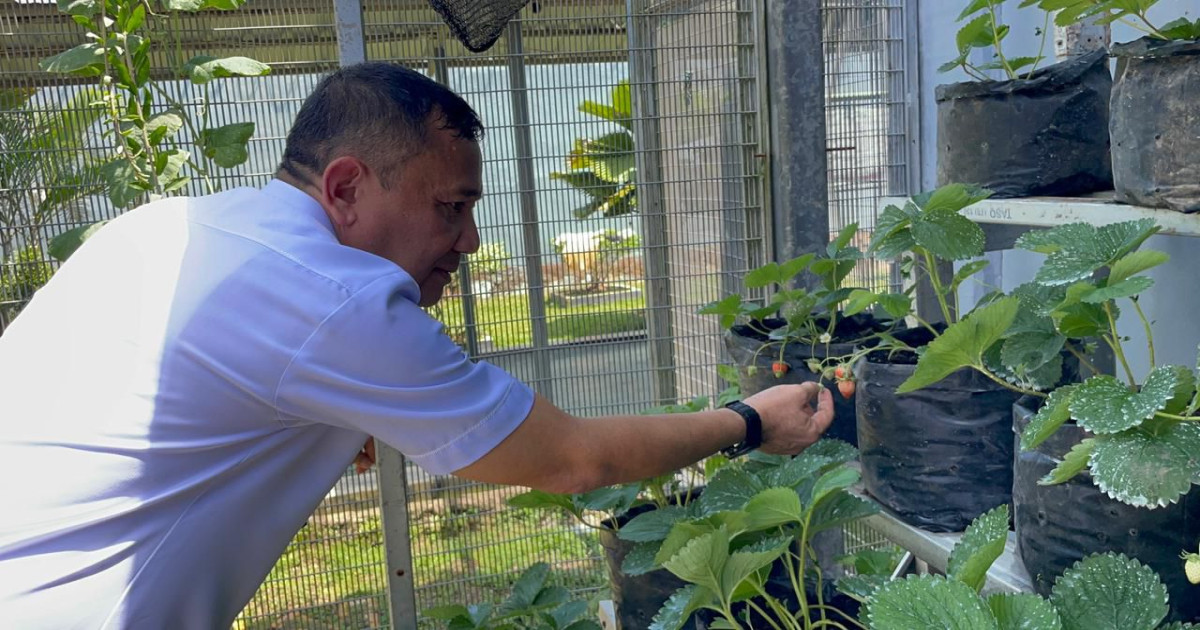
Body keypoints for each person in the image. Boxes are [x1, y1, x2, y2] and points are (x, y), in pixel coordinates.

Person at [0, 62, 833, 628]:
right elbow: (574, 462)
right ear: (346, 187)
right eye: (450, 208)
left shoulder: (169, 229)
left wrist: (324, 416)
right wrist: (751, 422)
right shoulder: (334, 299)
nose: (469, 241)